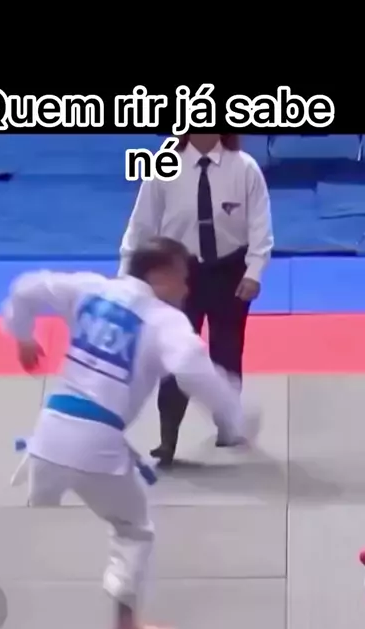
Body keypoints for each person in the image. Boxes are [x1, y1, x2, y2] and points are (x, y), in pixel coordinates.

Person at [0, 237, 260, 629]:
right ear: (159, 275)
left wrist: (23, 336)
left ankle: (36, 502)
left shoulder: (90, 288)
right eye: (182, 277)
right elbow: (193, 370)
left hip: (48, 435)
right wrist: (236, 419)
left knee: (43, 503)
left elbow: (26, 287)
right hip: (97, 445)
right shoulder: (163, 320)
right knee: (134, 529)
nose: (187, 288)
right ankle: (126, 628)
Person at [119, 133, 273, 466]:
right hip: (179, 274)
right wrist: (127, 274)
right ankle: (168, 438)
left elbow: (260, 225)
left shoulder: (244, 168)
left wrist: (254, 271)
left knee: (227, 350)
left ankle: (228, 425)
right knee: (175, 355)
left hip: (229, 272)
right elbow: (141, 224)